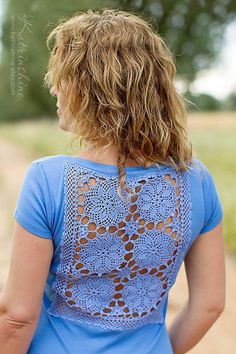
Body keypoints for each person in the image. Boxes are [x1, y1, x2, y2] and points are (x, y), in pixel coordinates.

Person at [0, 8, 225, 354]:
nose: (55, 90)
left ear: (92, 90)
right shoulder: (197, 181)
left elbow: (16, 317)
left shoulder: (47, 180)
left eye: (63, 78)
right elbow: (210, 305)